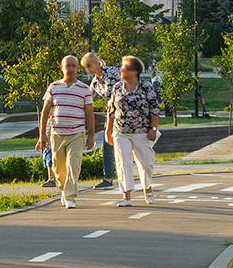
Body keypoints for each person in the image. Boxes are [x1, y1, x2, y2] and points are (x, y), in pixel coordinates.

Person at [40, 55, 94, 208]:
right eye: (67, 66)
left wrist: (91, 135)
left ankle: (70, 197)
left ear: (77, 68)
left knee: (73, 165)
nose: (70, 68)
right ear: (62, 68)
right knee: (58, 168)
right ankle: (64, 189)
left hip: (77, 134)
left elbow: (89, 113)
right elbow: (45, 112)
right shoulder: (54, 87)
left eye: (73, 66)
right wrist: (42, 135)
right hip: (56, 134)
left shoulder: (85, 89)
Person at [107, 55, 159, 206]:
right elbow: (111, 110)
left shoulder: (146, 86)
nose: (121, 69)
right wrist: (108, 131)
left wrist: (153, 128)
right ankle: (126, 196)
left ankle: (147, 188)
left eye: (125, 67)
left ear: (135, 71)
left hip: (142, 132)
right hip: (120, 131)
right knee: (123, 163)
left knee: (146, 164)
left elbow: (154, 109)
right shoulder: (117, 87)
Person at [81, 52, 117, 190]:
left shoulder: (112, 71)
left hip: (125, 110)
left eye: (88, 66)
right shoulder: (95, 82)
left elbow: (125, 85)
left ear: (95, 63)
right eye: (85, 67)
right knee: (107, 144)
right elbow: (88, 98)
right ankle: (107, 178)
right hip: (111, 113)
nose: (88, 70)